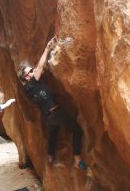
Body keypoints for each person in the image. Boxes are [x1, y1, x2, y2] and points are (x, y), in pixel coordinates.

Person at [18, 38, 87, 170]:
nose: (33, 71)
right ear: (27, 77)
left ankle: (50, 156)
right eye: (30, 71)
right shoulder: (32, 83)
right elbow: (40, 66)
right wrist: (47, 49)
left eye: (32, 70)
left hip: (48, 117)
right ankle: (77, 160)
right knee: (77, 130)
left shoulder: (28, 89)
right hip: (55, 113)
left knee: (53, 133)